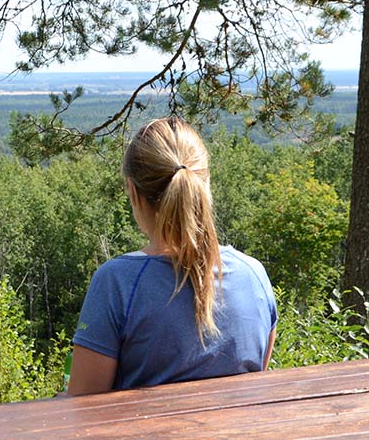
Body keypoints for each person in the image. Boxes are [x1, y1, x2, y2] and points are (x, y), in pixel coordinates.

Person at [67, 117, 277, 396]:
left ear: (132, 192)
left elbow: (84, 405)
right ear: (206, 182)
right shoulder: (253, 274)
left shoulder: (116, 283)